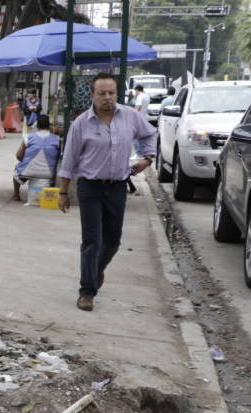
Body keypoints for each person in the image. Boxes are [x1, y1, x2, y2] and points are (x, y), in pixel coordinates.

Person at [57, 72, 156, 312]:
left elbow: (150, 133)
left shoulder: (130, 117)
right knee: (92, 240)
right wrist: (62, 192)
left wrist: (148, 158)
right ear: (93, 95)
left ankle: (97, 269)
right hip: (90, 187)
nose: (107, 97)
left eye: (111, 92)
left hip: (117, 188)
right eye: (101, 93)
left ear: (116, 94)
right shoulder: (82, 123)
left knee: (112, 242)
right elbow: (69, 159)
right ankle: (87, 291)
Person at [12, 114, 59, 201]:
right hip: (50, 173)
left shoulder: (29, 137)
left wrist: (26, 161)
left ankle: (16, 195)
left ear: (37, 125)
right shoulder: (56, 139)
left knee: (16, 173)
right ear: (49, 126)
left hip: (28, 171)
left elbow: (18, 156)